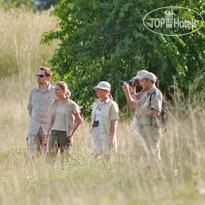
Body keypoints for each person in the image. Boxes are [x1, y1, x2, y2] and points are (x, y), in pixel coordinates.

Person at [122, 72, 163, 161]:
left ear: (149, 81)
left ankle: (155, 173)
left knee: (152, 156)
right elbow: (133, 105)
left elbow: (156, 112)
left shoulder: (155, 93)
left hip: (151, 129)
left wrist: (143, 114)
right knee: (138, 154)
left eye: (141, 81)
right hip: (141, 129)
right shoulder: (144, 93)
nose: (139, 83)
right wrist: (128, 91)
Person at [46, 81, 82, 160]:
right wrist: (47, 133)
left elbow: (79, 120)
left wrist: (71, 133)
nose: (55, 91)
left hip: (65, 133)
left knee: (65, 159)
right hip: (54, 132)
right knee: (50, 158)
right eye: (55, 89)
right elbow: (50, 120)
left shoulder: (72, 104)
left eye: (57, 89)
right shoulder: (54, 103)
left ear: (64, 91)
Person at [27, 66, 56, 157]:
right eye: (37, 75)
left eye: (41, 76)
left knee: (47, 154)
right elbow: (30, 109)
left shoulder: (54, 91)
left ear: (48, 77)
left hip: (48, 128)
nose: (38, 77)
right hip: (34, 127)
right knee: (32, 154)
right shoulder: (33, 91)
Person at [90, 81, 119, 159]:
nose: (98, 92)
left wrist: (112, 137)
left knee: (107, 156)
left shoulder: (112, 104)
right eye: (97, 90)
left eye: (100, 90)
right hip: (96, 132)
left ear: (107, 91)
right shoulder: (95, 103)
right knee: (95, 154)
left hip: (106, 133)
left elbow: (114, 121)